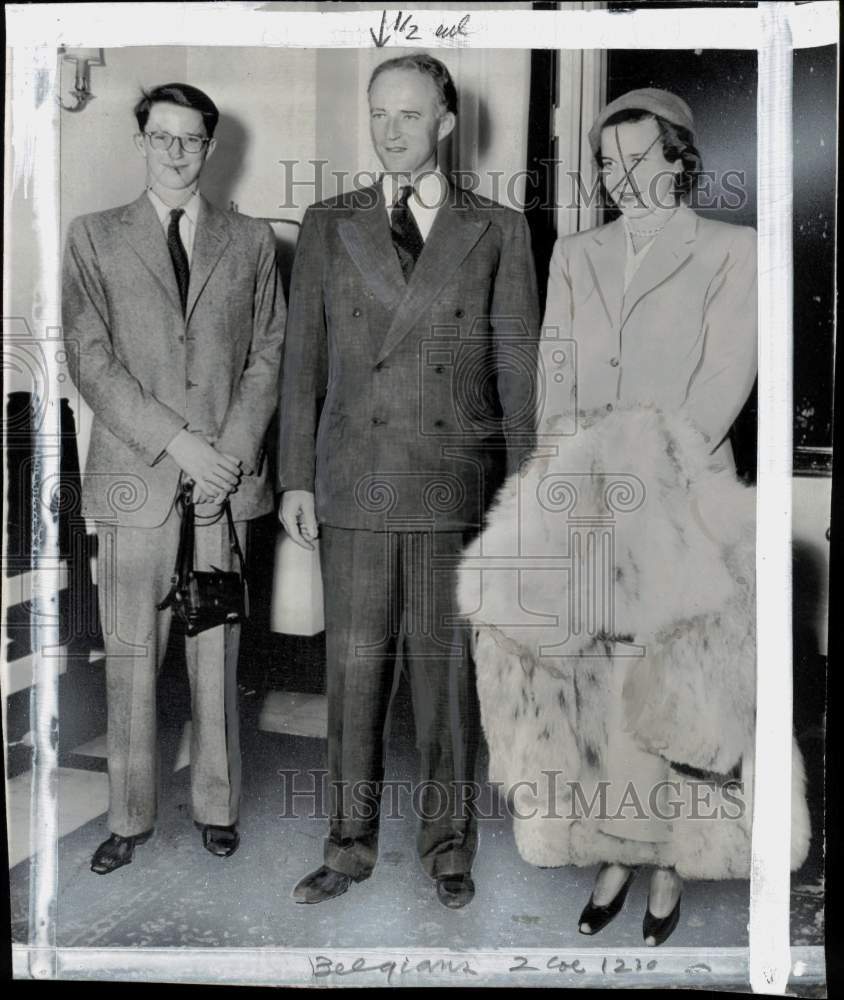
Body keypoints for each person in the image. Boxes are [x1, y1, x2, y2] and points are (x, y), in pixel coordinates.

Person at [459, 88, 810, 944]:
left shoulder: (736, 250)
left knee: (679, 691)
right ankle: (615, 846)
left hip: (686, 496)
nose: (619, 177)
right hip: (587, 499)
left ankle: (669, 866)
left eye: (637, 159)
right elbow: (558, 375)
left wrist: (642, 478)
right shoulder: (577, 251)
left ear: (680, 158)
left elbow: (720, 386)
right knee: (597, 691)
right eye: (607, 162)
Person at [278, 53, 539, 909]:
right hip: (353, 480)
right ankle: (347, 846)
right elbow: (301, 365)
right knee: (352, 676)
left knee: (444, 679)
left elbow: (518, 370)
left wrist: (522, 495)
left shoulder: (497, 228)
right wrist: (296, 481)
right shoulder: (328, 221)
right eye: (378, 114)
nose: (391, 130)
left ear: (445, 123)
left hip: (448, 485)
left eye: (408, 114)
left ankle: (448, 847)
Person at [62, 83, 286, 874]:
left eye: (191, 139)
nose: (176, 151)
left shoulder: (252, 240)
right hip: (137, 478)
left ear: (211, 145)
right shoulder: (93, 237)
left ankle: (217, 807)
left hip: (222, 483)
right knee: (130, 659)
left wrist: (225, 452)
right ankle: (127, 817)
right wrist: (179, 444)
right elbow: (91, 359)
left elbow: (268, 355)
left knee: (216, 653)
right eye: (162, 137)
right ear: (141, 141)